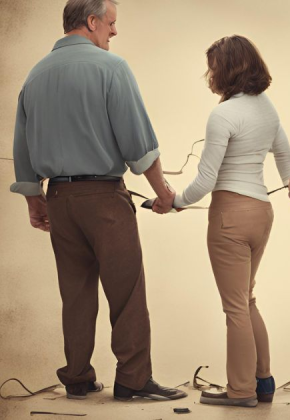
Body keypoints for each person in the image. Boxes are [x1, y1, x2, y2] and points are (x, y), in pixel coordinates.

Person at [9, 0, 186, 402]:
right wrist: (164, 194)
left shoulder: (35, 75)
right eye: (111, 23)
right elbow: (138, 143)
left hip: (59, 198)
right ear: (91, 22)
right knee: (126, 290)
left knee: (75, 292)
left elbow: (22, 147)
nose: (114, 31)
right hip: (104, 199)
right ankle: (133, 380)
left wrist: (35, 202)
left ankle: (77, 377)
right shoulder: (112, 67)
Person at [161, 35, 290, 407]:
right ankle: (263, 382)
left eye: (213, 68)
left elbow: (206, 180)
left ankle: (241, 391)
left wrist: (175, 202)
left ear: (226, 70)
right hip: (262, 213)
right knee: (246, 298)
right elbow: (284, 156)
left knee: (235, 307)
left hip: (230, 215)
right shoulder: (267, 108)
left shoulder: (223, 114)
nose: (209, 75)